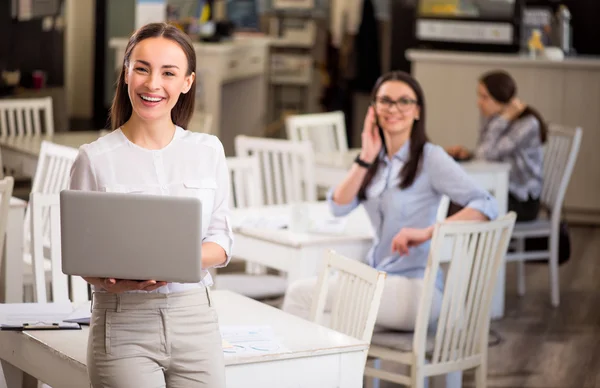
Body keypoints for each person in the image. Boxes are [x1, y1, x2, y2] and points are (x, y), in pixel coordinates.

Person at [69, 23, 231, 387]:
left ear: (187, 82)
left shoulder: (209, 151)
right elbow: (81, 259)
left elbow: (222, 240)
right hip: (123, 321)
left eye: (168, 73)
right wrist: (110, 279)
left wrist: (175, 262)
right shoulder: (94, 158)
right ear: (126, 73)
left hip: (196, 319)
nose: (153, 84)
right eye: (141, 68)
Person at [282, 71, 498, 330]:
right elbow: (338, 206)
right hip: (381, 279)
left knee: (301, 295)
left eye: (404, 101)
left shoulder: (430, 157)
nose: (394, 108)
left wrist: (429, 232)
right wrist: (366, 154)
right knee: (321, 322)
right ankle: (337, 371)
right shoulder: (375, 160)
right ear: (373, 109)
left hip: (416, 288)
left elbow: (486, 203)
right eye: (385, 101)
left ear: (417, 111)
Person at [447, 70, 547, 221]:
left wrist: (503, 119)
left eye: (484, 97)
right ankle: (456, 243)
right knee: (454, 199)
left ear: (501, 98)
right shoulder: (493, 118)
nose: (478, 102)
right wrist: (469, 155)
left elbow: (484, 155)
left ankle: (466, 243)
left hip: (522, 201)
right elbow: (487, 154)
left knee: (464, 206)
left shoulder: (527, 124)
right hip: (499, 192)